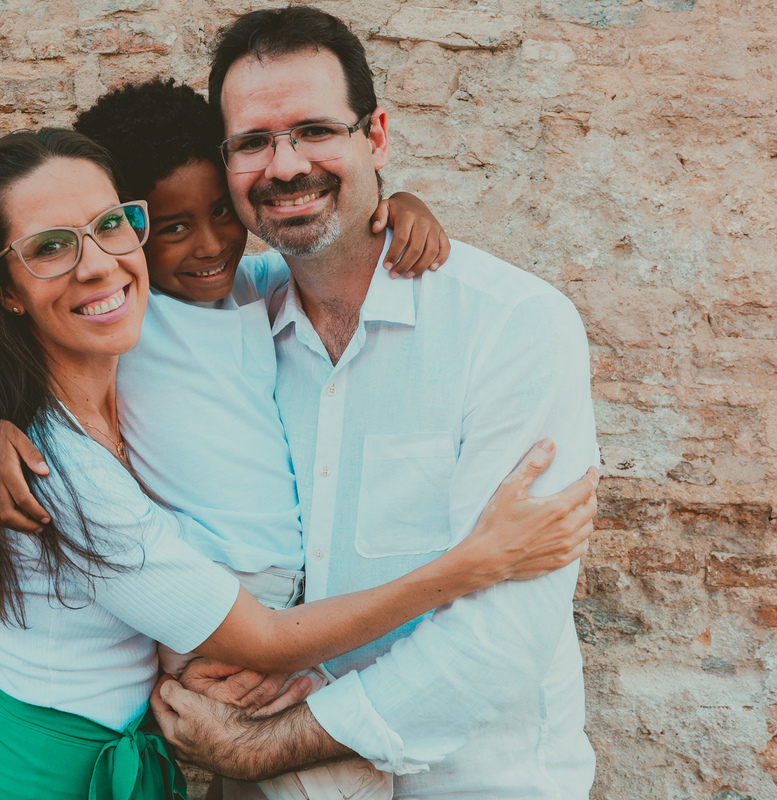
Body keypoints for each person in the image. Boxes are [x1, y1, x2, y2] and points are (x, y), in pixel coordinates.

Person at [0, 128, 597, 799]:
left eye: (111, 226)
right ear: (4, 289)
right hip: (48, 780)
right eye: (50, 247)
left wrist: (394, 212)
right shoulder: (56, 469)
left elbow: (295, 265)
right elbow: (263, 639)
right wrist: (472, 565)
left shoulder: (139, 348)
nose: (95, 263)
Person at [148, 7, 602, 800]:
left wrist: (264, 747)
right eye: (253, 142)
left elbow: (505, 632)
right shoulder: (231, 324)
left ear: (377, 137)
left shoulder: (512, 326)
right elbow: (54, 313)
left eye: (316, 130)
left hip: (470, 784)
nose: (285, 166)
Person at [0, 78, 448, 799]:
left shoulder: (245, 288)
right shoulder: (124, 325)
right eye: (174, 226)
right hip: (214, 618)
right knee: (345, 773)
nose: (209, 242)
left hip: (254, 609)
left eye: (221, 212)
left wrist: (394, 206)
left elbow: (329, 252)